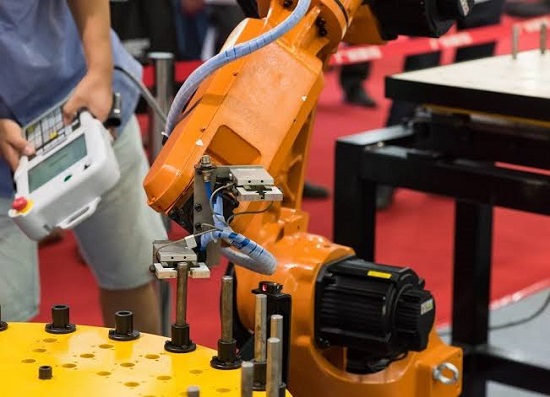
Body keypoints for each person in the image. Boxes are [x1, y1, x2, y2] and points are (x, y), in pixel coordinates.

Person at [0, 1, 167, 334]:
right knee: (6, 318)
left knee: (130, 276)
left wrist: (100, 71)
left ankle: (145, 385)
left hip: (88, 100)